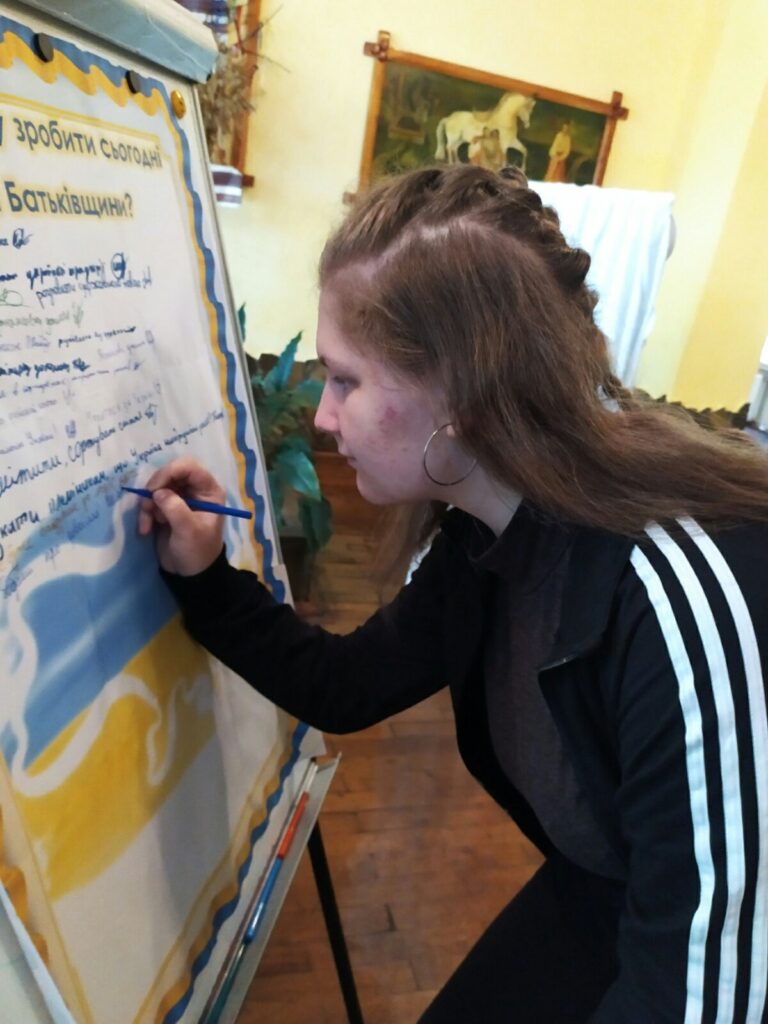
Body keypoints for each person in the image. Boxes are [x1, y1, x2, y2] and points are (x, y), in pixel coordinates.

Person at [138, 164, 768, 1023]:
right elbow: (347, 685)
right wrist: (207, 578)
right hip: (604, 884)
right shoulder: (489, 537)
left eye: (346, 380)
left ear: (461, 394)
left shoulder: (669, 595)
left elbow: (705, 994)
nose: (322, 416)